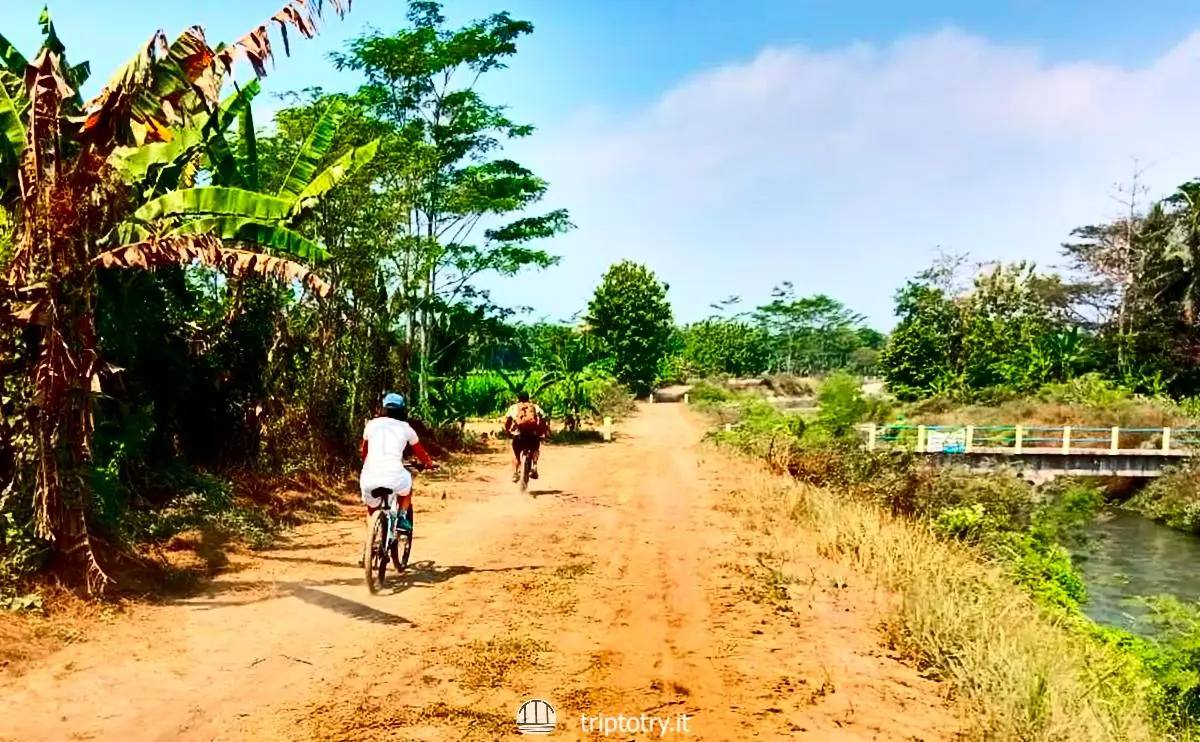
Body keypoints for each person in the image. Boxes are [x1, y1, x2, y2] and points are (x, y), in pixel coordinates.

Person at [360, 392, 435, 538]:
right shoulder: (406, 428)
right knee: (406, 489)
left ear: (384, 408)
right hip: (394, 475)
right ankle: (401, 517)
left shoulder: (371, 424)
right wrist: (429, 464)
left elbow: (364, 452)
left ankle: (371, 540)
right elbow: (420, 452)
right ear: (402, 410)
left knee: (371, 510)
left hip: (370, 477)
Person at [503, 391, 547, 482]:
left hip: (519, 435)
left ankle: (515, 472)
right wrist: (543, 431)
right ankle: (534, 466)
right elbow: (544, 418)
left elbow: (507, 420)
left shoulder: (513, 407)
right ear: (528, 398)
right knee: (535, 449)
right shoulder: (535, 407)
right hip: (532, 434)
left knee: (515, 451)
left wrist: (507, 430)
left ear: (518, 399)